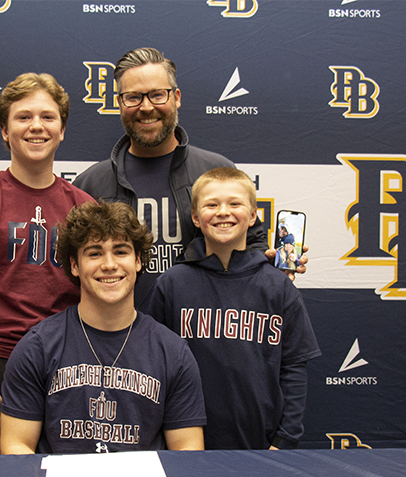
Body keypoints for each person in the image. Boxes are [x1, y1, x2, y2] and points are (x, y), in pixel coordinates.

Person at [73, 47, 306, 305]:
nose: (146, 107)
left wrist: (274, 262)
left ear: (177, 97)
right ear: (119, 103)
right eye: (133, 97)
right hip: (118, 335)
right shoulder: (89, 184)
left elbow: (253, 245)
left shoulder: (217, 172)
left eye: (158, 95)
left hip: (201, 334)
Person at [0, 73, 94, 454]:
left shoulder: (84, 208)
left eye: (48, 117)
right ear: (5, 132)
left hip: (65, 365)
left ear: (62, 131)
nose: (36, 126)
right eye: (23, 117)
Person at [0, 201, 206, 454]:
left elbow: (188, 451)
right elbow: (16, 445)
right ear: (74, 265)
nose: (109, 264)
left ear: (138, 261)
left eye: (120, 252)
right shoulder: (37, 347)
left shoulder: (173, 352)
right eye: (94, 253)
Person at [144, 168, 321, 450]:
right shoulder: (172, 284)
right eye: (211, 205)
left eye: (235, 204)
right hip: (184, 441)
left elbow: (294, 368)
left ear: (252, 216)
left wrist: (285, 439)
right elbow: (151, 365)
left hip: (261, 444)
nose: (223, 212)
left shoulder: (277, 285)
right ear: (195, 217)